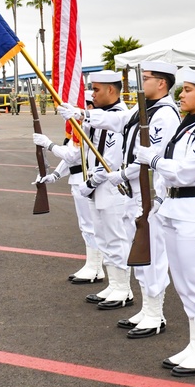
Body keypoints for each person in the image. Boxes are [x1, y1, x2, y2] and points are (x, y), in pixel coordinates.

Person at [134, 69, 195, 377]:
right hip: (177, 208)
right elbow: (170, 175)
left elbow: (187, 171)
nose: (182, 94)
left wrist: (155, 161)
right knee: (184, 283)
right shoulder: (189, 125)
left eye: (188, 90)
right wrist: (160, 201)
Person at [78, 61, 182, 338]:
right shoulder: (144, 108)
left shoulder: (166, 115)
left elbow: (151, 158)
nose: (141, 83)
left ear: (162, 83)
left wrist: (122, 174)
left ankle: (156, 313)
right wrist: (84, 115)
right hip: (133, 192)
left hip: (149, 193)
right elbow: (119, 120)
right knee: (137, 253)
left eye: (146, 78)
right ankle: (147, 308)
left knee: (152, 254)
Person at [59, 71, 132, 309]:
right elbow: (88, 148)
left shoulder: (120, 116)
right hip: (95, 186)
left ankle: (124, 289)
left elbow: (110, 159)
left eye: (96, 89)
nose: (92, 94)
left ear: (111, 90)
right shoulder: (100, 117)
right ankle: (113, 284)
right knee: (102, 236)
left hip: (110, 187)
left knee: (115, 237)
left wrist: (90, 183)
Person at [33, 90, 104, 284]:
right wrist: (55, 175)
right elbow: (70, 157)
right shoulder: (80, 128)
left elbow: (72, 155)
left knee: (90, 226)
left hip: (86, 180)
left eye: (85, 105)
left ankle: (96, 267)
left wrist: (48, 145)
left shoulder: (89, 127)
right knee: (85, 225)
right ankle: (92, 265)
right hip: (77, 179)